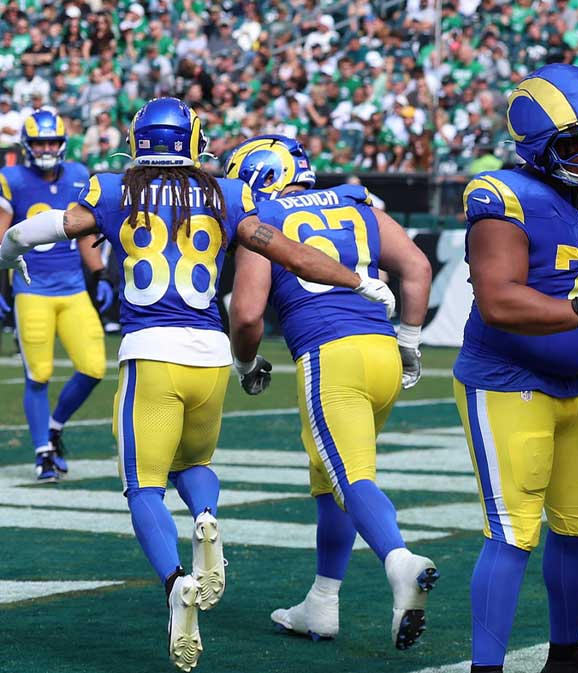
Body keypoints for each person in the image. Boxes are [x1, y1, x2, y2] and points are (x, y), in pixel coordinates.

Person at [0, 97, 395, 672]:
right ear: (194, 138)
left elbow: (44, 228)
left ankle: (174, 583)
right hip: (210, 357)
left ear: (138, 140)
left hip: (151, 353)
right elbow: (294, 254)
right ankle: (206, 518)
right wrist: (358, 281)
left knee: (143, 487)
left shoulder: (116, 188)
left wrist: (8, 252)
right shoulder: (227, 194)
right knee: (193, 464)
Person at [451, 64, 578, 673]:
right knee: (513, 531)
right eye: (575, 143)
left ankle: (566, 658)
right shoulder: (502, 197)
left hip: (572, 384)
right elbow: (499, 299)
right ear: (537, 141)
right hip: (507, 382)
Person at [224, 135, 439, 649]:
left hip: (330, 356)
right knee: (330, 481)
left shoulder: (263, 218)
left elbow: (248, 312)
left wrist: (246, 362)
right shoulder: (353, 201)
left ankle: (399, 562)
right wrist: (409, 341)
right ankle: (321, 604)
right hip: (382, 353)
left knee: (351, 480)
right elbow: (417, 267)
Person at [0, 110, 112, 482]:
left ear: (62, 143)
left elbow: (83, 234)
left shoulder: (79, 175)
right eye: (40, 143)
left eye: (51, 141)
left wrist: (98, 273)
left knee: (95, 366)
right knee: (40, 374)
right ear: (27, 146)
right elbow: (3, 238)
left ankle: (55, 426)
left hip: (73, 288)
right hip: (31, 289)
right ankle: (42, 452)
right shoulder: (11, 178)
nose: (47, 148)